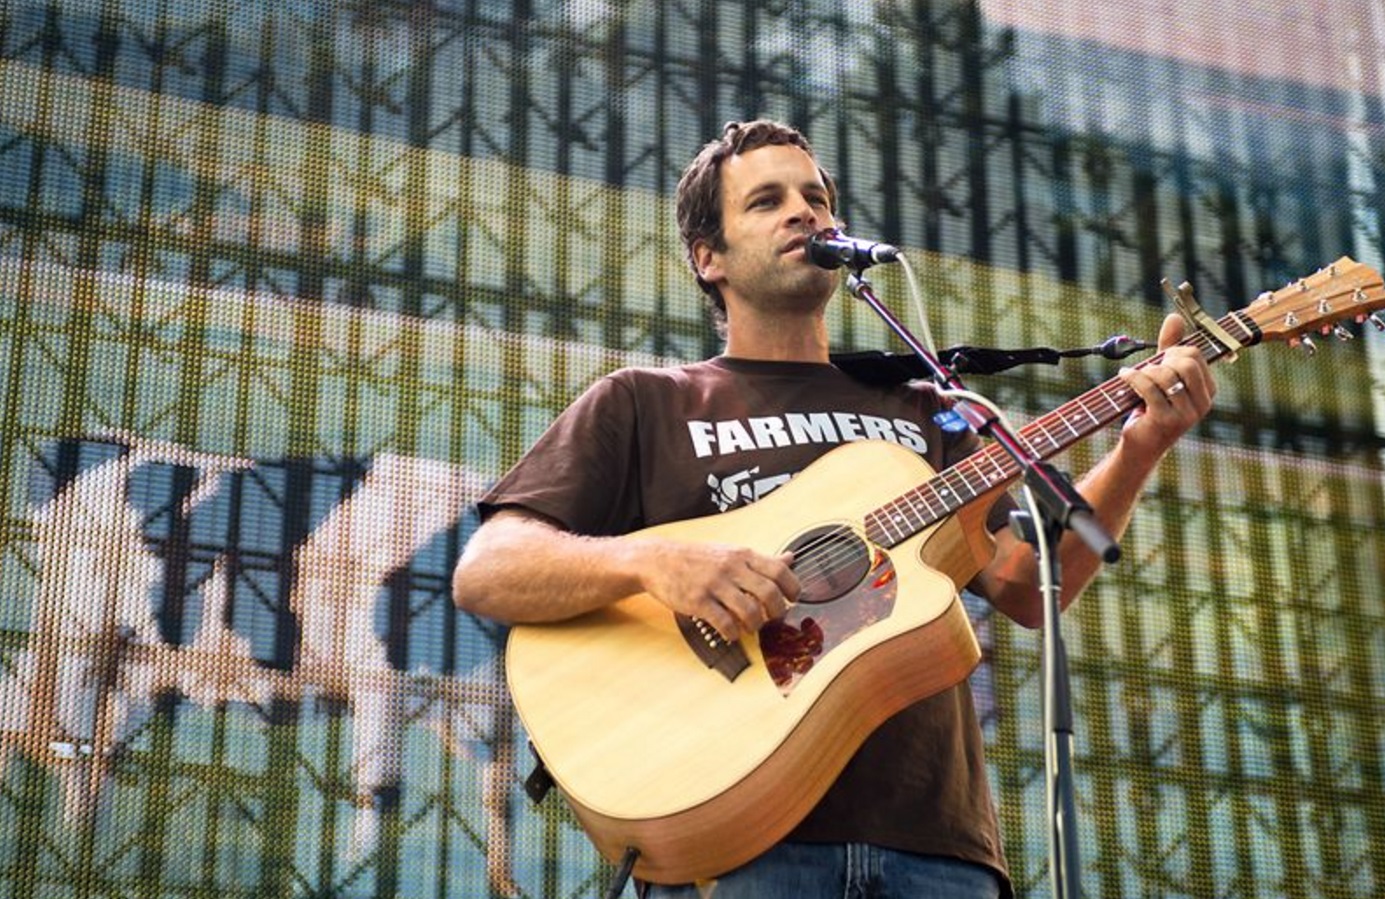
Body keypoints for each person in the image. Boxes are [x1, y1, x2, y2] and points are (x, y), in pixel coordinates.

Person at [453, 119, 1214, 898]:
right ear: (708, 257)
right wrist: (651, 561)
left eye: (816, 198)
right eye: (767, 201)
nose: (804, 212)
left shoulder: (927, 409)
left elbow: (1025, 584)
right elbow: (487, 569)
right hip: (737, 836)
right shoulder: (646, 402)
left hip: (936, 847)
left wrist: (1139, 448)